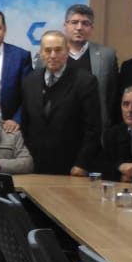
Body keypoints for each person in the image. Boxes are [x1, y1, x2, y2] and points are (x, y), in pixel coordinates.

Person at [20, 31, 102, 176]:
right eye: (48, 50)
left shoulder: (85, 81)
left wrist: (81, 163)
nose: (53, 55)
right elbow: (25, 125)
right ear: (41, 53)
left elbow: (93, 128)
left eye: (58, 50)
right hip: (35, 164)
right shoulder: (29, 81)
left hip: (71, 166)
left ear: (67, 51)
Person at [34, 4, 119, 127]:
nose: (79, 28)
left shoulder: (107, 56)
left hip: (93, 126)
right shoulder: (47, 56)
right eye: (74, 22)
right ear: (65, 25)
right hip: (56, 127)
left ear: (92, 28)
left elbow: (112, 95)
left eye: (85, 23)